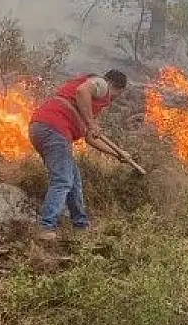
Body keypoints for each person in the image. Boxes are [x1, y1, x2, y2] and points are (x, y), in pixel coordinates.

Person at [29, 70, 129, 240]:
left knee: (74, 181)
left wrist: (116, 154)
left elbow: (90, 138)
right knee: (62, 180)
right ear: (117, 88)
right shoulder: (102, 85)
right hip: (54, 128)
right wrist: (91, 123)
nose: (114, 99)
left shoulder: (91, 105)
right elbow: (82, 91)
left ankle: (80, 226)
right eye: (118, 94)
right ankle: (46, 227)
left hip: (44, 129)